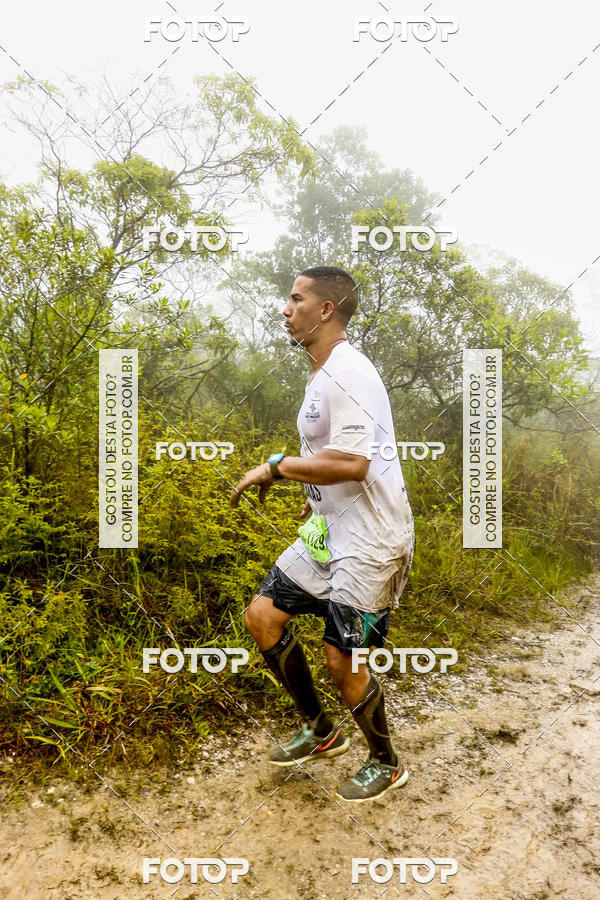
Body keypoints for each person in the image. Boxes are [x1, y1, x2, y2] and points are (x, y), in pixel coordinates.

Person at [230, 266, 414, 802]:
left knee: (344, 659)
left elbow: (355, 462)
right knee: (263, 616)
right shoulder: (320, 373)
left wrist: (276, 467)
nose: (286, 309)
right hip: (328, 532)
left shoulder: (349, 372)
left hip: (373, 538)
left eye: (296, 299)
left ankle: (385, 762)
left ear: (326, 309)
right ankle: (320, 731)